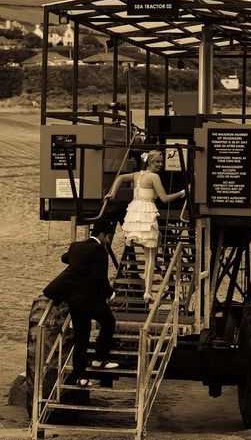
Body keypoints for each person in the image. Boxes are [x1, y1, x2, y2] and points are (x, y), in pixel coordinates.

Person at [43, 221, 119, 387]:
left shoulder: (76, 246)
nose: (108, 240)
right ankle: (99, 359)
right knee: (108, 322)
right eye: (108, 237)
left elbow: (65, 258)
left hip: (75, 300)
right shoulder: (100, 251)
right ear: (102, 235)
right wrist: (110, 293)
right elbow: (100, 278)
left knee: (81, 338)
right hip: (90, 299)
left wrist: (79, 263)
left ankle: (80, 377)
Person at [105, 150, 185, 303]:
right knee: (150, 257)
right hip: (146, 213)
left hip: (135, 213)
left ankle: (135, 239)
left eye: (161, 162)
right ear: (149, 162)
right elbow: (164, 198)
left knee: (153, 245)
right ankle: (147, 292)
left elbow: (120, 177)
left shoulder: (137, 175)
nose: (160, 165)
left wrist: (112, 193)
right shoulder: (154, 177)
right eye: (157, 162)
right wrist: (182, 192)